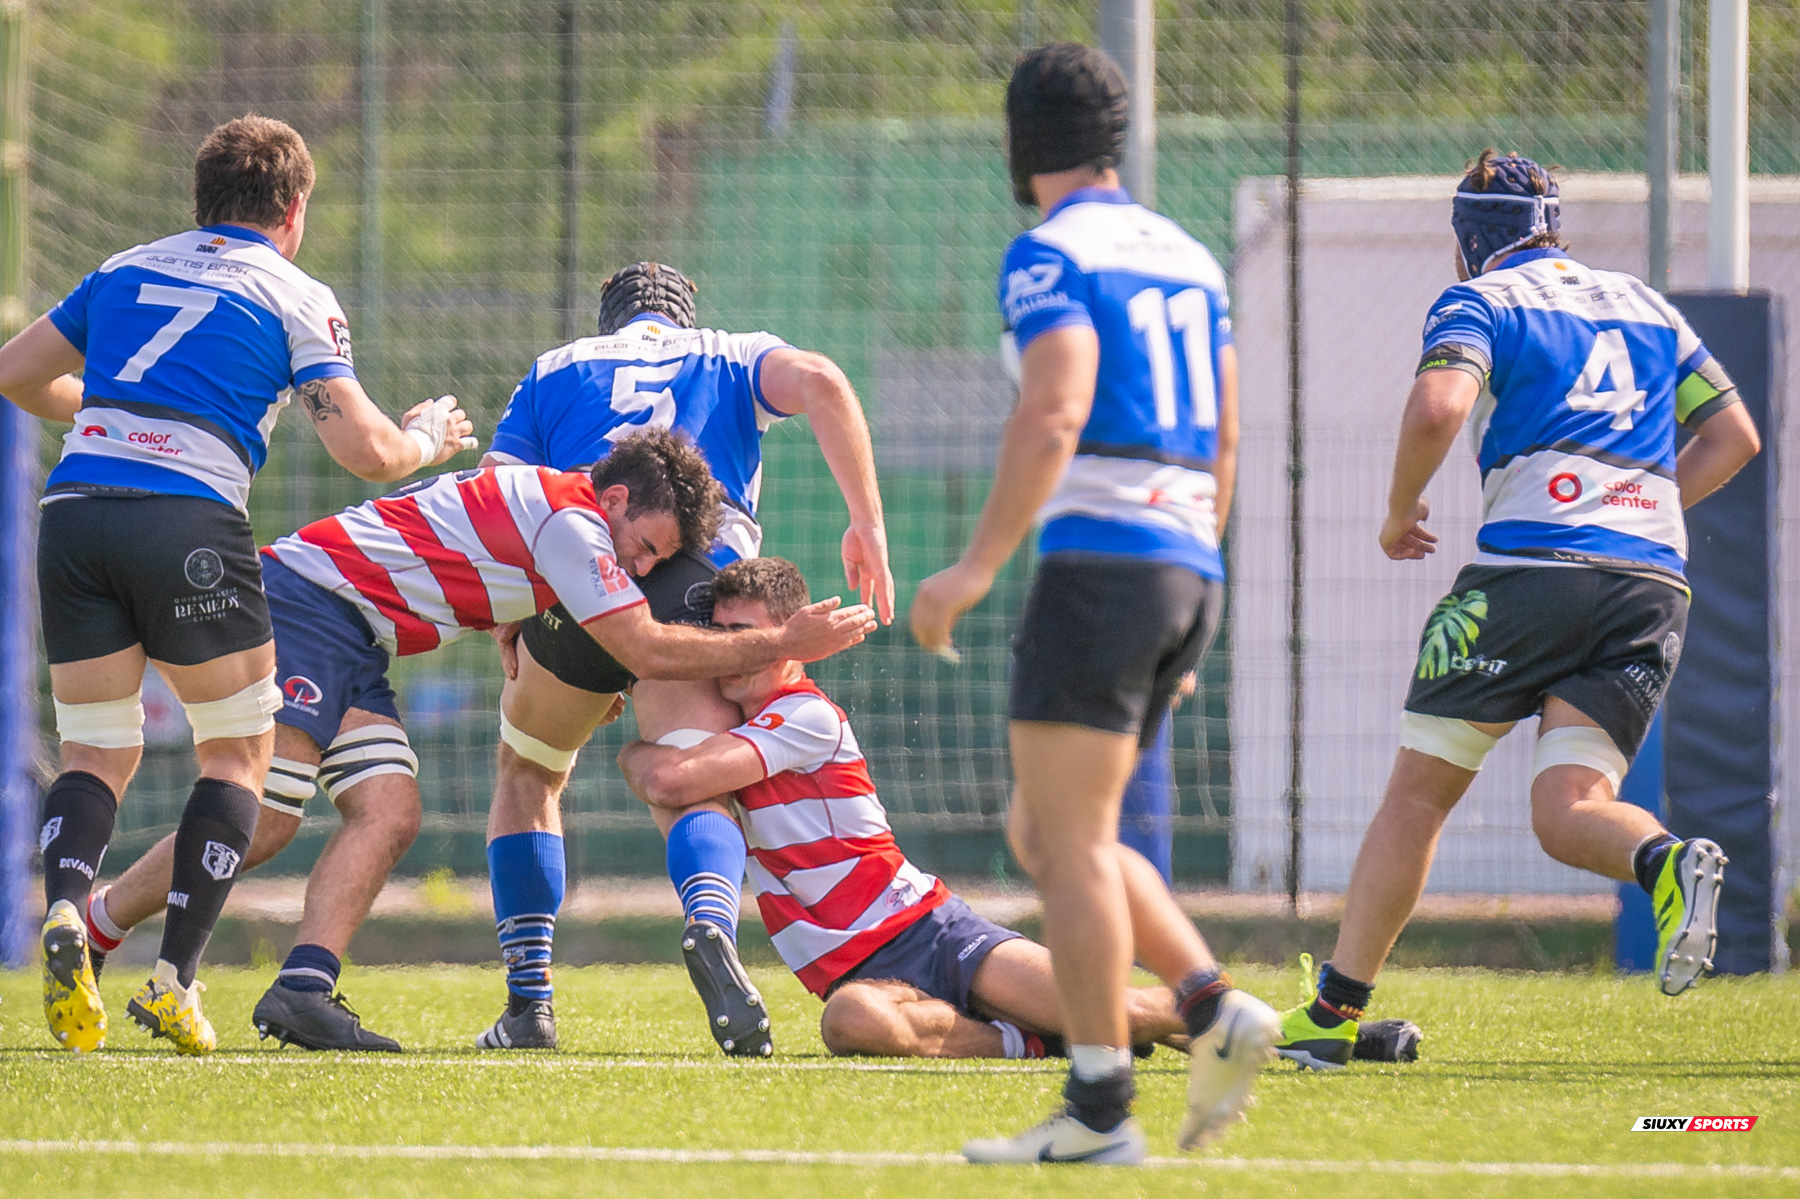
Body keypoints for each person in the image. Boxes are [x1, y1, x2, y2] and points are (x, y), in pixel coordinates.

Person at [83, 431, 877, 1052]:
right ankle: (99, 931)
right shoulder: (574, 524)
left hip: (355, 631)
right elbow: (642, 648)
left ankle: (301, 987)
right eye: (646, 545)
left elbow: (497, 571)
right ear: (619, 497)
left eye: (658, 561)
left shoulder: (556, 508)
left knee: (390, 810)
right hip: (308, 604)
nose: (640, 565)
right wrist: (777, 643)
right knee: (266, 816)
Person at [0, 114, 476, 1056]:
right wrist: (431, 436)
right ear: (293, 209)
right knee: (236, 757)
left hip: (76, 509)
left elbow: (15, 373)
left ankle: (60, 906)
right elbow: (365, 449)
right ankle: (174, 980)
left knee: (97, 749)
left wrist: (100, 411)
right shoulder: (297, 294)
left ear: (201, 200)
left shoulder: (126, 266)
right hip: (187, 518)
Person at [1274, 151, 1761, 1071]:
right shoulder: (1645, 304)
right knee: (1571, 805)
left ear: (1468, 240)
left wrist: (1397, 513)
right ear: (1553, 222)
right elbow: (1735, 434)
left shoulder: (1481, 301)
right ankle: (1666, 861)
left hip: (1529, 573)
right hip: (1651, 581)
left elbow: (1436, 408)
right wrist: (1638, 508)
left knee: (1419, 795)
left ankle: (1333, 1018)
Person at [908, 44, 1275, 1165]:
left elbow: (1056, 408)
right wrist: (1193, 576)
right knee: (1054, 830)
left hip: (1103, 562)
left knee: (1062, 845)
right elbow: (1224, 431)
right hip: (1181, 560)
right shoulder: (1191, 256)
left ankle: (1103, 1108)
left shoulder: (1046, 255)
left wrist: (970, 568)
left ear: (1023, 143)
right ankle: (1212, 1006)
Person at [471, 261, 893, 1055]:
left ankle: (529, 1001)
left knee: (528, 770)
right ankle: (708, 919)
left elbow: (500, 494)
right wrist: (866, 521)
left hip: (582, 577)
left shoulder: (558, 368)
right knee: (692, 771)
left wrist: (508, 613)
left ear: (611, 320)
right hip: (696, 584)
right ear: (685, 316)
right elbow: (827, 383)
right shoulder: (732, 354)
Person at [620, 556, 1212, 1060]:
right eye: (720, 633)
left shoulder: (804, 715)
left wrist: (631, 755)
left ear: (791, 638)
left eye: (747, 632)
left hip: (931, 934)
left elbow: (671, 781)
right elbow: (677, 778)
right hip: (863, 978)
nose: (733, 650)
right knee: (848, 1023)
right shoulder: (734, 732)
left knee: (1124, 1013)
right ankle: (1031, 1042)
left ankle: (1236, 1019)